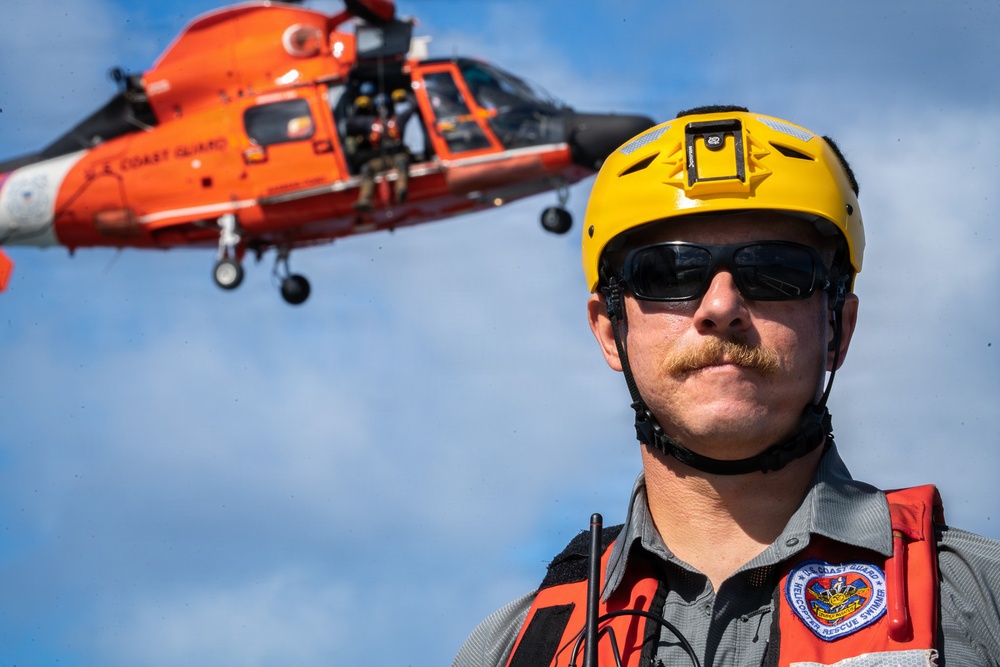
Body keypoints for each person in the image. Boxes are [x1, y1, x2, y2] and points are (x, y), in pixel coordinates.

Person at [452, 106, 1000, 667]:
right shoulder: (513, 649)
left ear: (839, 326)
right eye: (668, 273)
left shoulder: (980, 602)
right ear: (609, 332)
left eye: (775, 271)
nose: (721, 307)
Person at [347, 86, 412, 212]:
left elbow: (414, 106)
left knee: (402, 162)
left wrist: (405, 97)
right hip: (381, 159)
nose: (383, 112)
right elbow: (350, 123)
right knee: (367, 168)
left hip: (396, 157)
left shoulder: (398, 121)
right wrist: (358, 107)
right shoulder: (370, 123)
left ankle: (401, 190)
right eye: (380, 109)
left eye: (386, 107)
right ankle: (365, 199)